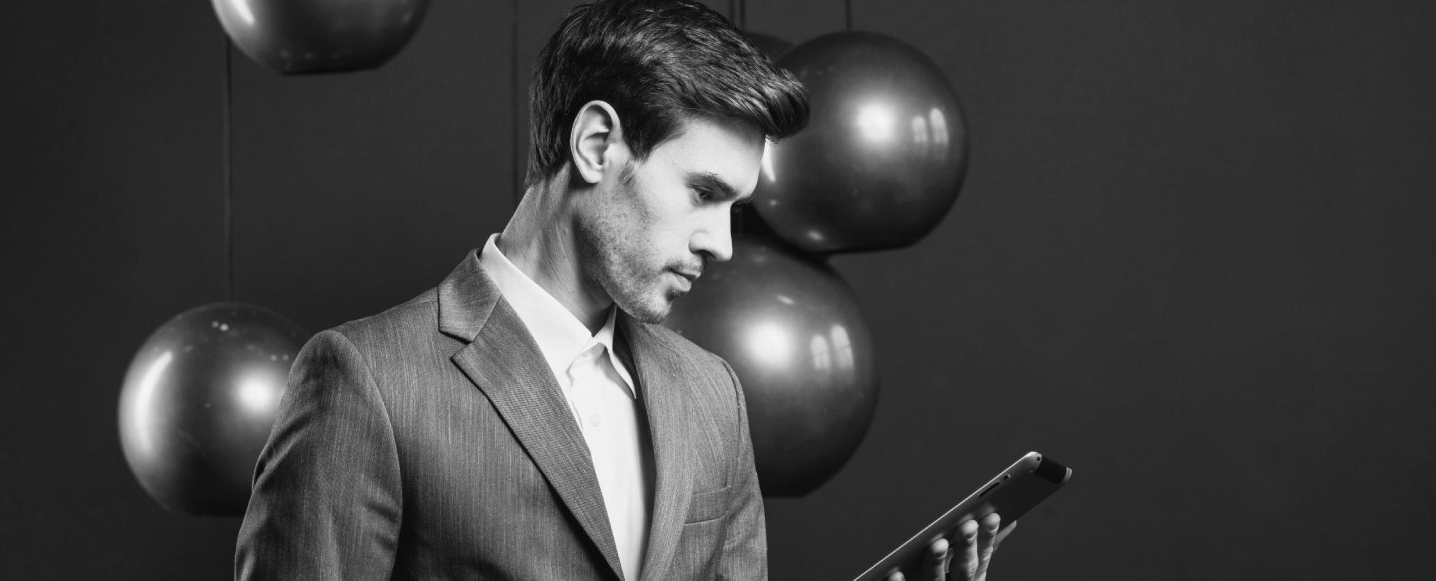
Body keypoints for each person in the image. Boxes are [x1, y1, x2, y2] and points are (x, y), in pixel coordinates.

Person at [236, 1, 1011, 579]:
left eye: (736, 208)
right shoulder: (366, 381)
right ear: (597, 144)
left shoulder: (711, 394)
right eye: (703, 193)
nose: (723, 242)